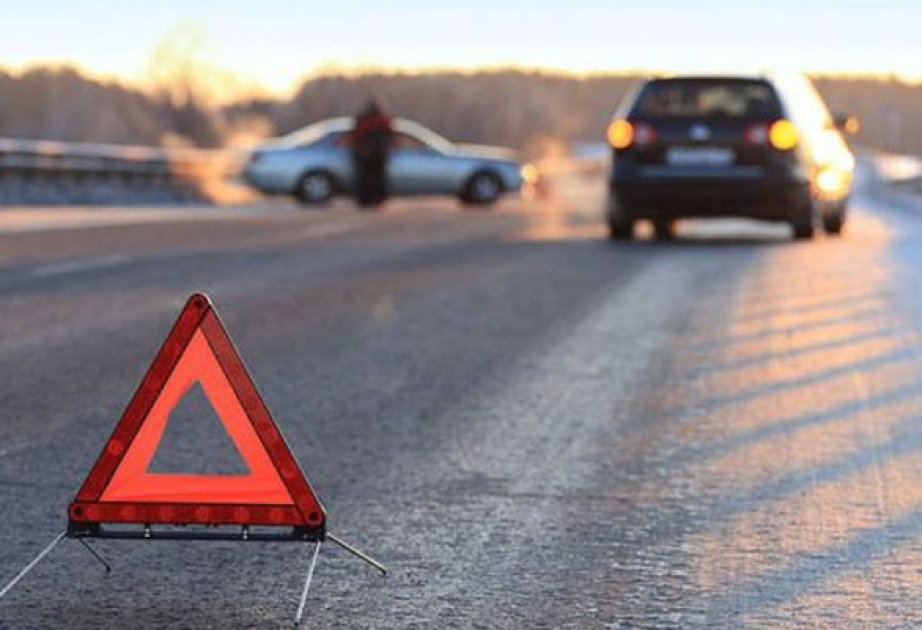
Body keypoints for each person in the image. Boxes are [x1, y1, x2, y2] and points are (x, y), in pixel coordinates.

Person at [351, 99, 394, 207]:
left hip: (365, 154)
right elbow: (390, 136)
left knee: (364, 178)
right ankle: (377, 199)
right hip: (379, 154)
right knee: (378, 178)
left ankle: (365, 200)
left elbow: (356, 137)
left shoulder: (362, 120)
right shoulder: (383, 120)